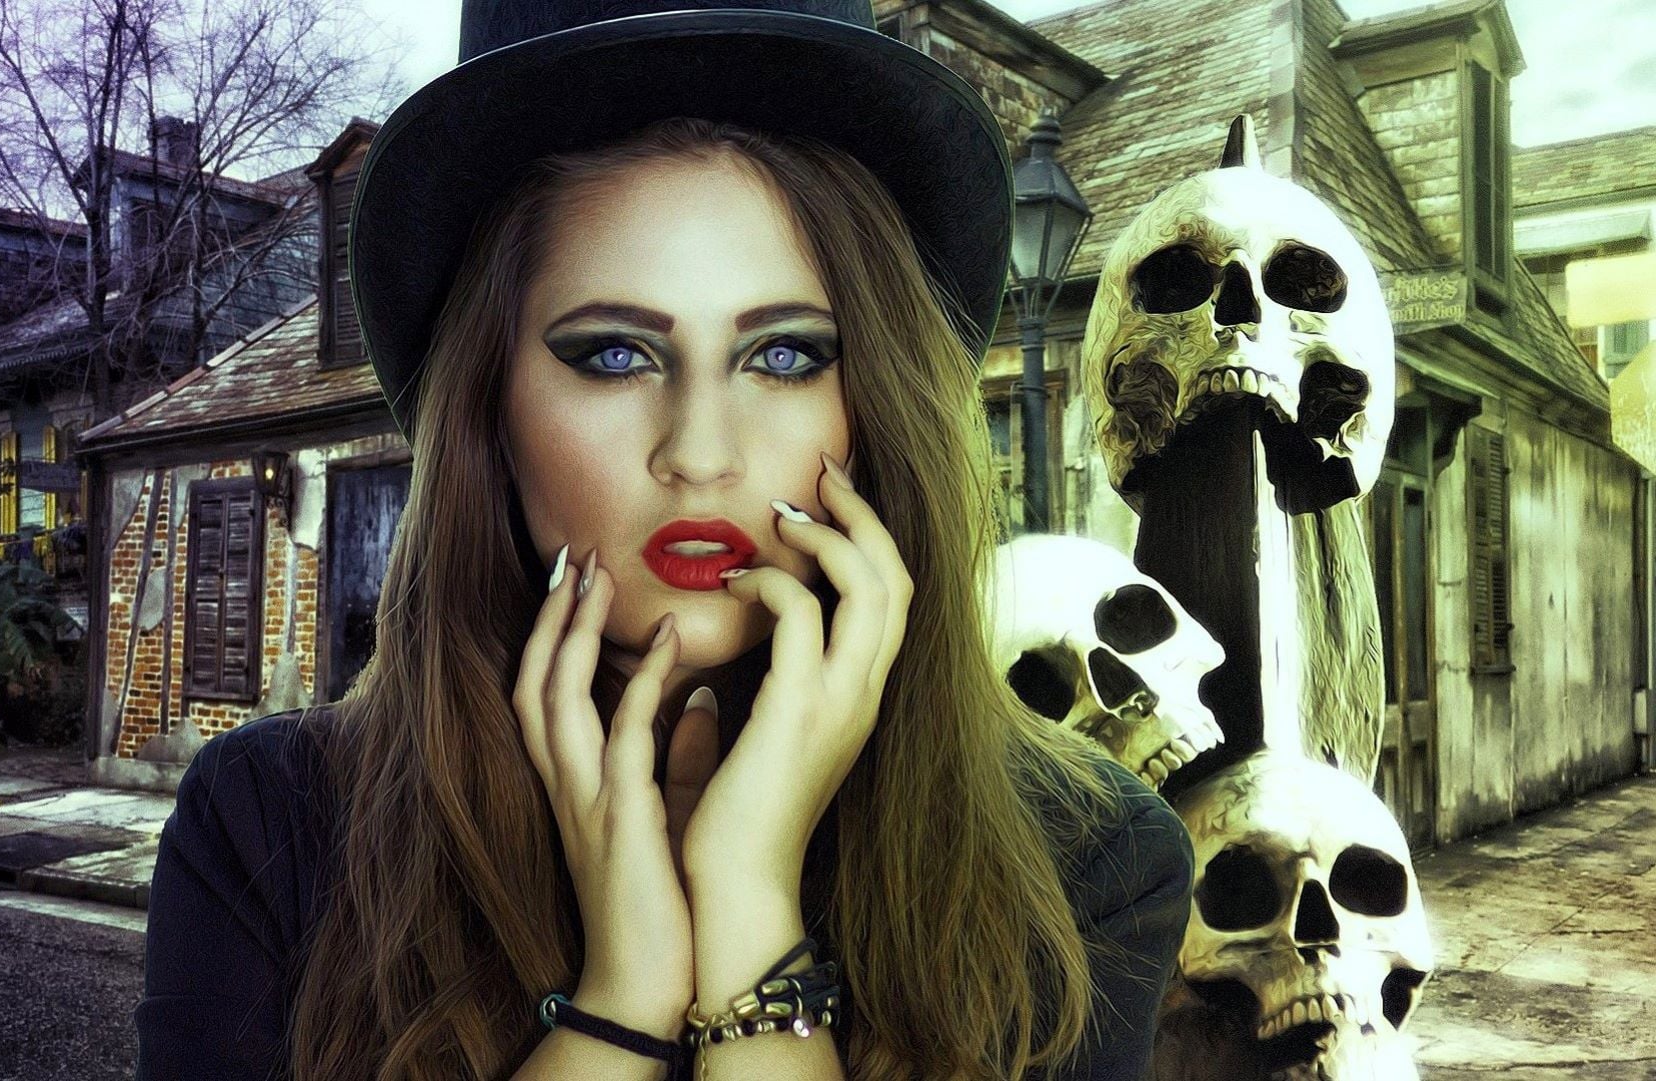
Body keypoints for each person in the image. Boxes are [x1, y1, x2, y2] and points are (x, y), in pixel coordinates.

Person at [135, 3, 1194, 1080]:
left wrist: (747, 902)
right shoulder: (272, 826)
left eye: (783, 356)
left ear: (875, 410)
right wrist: (623, 998)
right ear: (490, 415)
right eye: (612, 356)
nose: (698, 453)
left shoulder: (1091, 860)